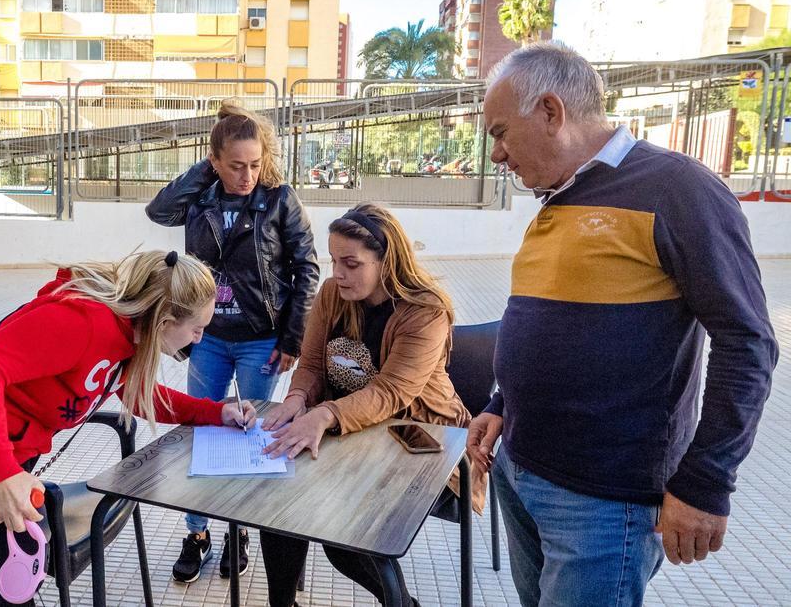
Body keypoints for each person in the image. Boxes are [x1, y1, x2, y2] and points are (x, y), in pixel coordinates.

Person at [466, 43, 779, 607]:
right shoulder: (559, 193)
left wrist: (705, 481)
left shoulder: (677, 189)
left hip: (603, 502)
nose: (497, 154)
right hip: (522, 469)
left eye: (501, 132)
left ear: (551, 113)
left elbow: (748, 342)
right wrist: (499, 404)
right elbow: (550, 323)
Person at [0, 250, 258, 605]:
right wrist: (1, 472)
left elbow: (138, 394)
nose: (199, 340)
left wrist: (213, 412)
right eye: (197, 328)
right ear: (165, 319)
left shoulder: (129, 339)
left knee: (6, 584)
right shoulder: (84, 323)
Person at [259, 203, 484, 607]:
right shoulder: (332, 293)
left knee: (343, 533)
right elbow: (310, 364)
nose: (337, 274)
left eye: (351, 263)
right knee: (278, 497)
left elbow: (391, 392)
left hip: (425, 445)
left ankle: (401, 604)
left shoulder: (426, 310)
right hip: (354, 437)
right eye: (333, 260)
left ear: (387, 261)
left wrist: (324, 414)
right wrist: (296, 400)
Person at [146, 100, 319, 582]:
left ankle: (237, 531)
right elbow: (158, 210)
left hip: (260, 340)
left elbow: (306, 268)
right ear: (215, 160)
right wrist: (204, 172)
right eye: (236, 165)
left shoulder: (280, 198)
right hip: (209, 338)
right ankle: (198, 530)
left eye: (255, 164)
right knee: (201, 429)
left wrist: (292, 335)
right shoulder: (199, 197)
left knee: (251, 437)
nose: (247, 175)